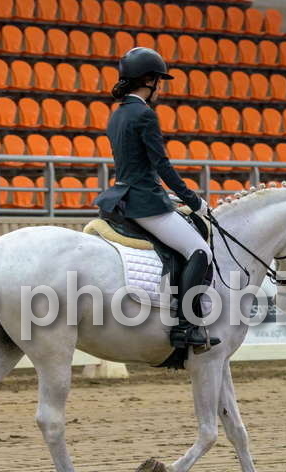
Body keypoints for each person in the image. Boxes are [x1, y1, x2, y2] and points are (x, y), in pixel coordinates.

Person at [94, 47, 219, 351]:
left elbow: (135, 166)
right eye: (159, 81)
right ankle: (187, 327)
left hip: (123, 196)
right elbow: (161, 164)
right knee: (200, 251)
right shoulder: (144, 114)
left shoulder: (117, 114)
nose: (160, 88)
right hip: (144, 202)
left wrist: (168, 194)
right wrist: (194, 200)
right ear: (149, 80)